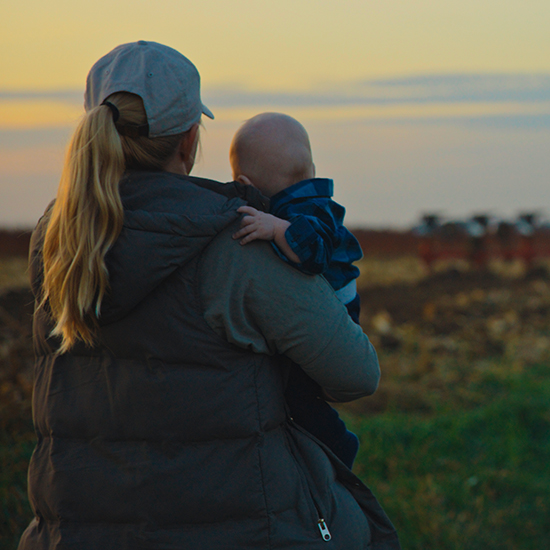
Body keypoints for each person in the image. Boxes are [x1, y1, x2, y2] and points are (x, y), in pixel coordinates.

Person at [18, 41, 400, 550]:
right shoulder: (234, 242)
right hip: (244, 529)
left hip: (69, 533)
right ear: (189, 140)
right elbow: (356, 374)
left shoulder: (57, 243)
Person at [229, 112, 363, 469]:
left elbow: (314, 254)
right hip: (337, 301)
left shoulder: (305, 211)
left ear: (244, 183)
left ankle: (337, 445)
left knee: (299, 395)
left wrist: (275, 228)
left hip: (339, 306)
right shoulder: (304, 203)